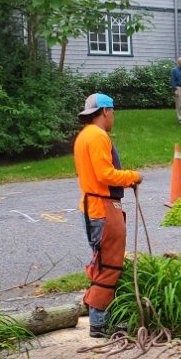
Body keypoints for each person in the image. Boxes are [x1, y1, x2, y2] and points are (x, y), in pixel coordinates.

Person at [73, 93, 143, 338]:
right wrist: (132, 176)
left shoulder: (83, 136)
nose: (113, 116)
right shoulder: (98, 136)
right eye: (112, 112)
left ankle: (100, 315)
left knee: (101, 261)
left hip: (93, 205)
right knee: (109, 265)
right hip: (103, 207)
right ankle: (99, 323)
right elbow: (105, 174)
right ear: (104, 112)